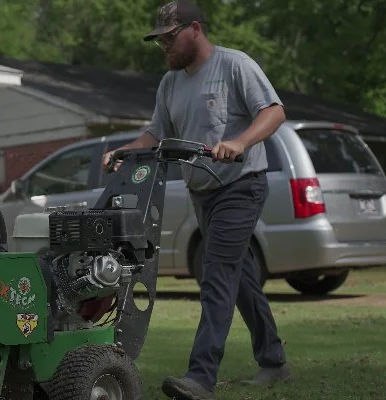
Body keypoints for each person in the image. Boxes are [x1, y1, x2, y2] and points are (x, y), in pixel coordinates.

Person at [102, 1, 292, 399]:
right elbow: (155, 135)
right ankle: (273, 360)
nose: (164, 47)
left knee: (216, 273)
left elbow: (274, 112)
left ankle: (201, 377)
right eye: (160, 41)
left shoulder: (234, 65)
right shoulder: (170, 83)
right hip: (202, 191)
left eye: (169, 39)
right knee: (238, 279)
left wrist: (240, 141)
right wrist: (124, 151)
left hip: (241, 185)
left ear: (194, 30)